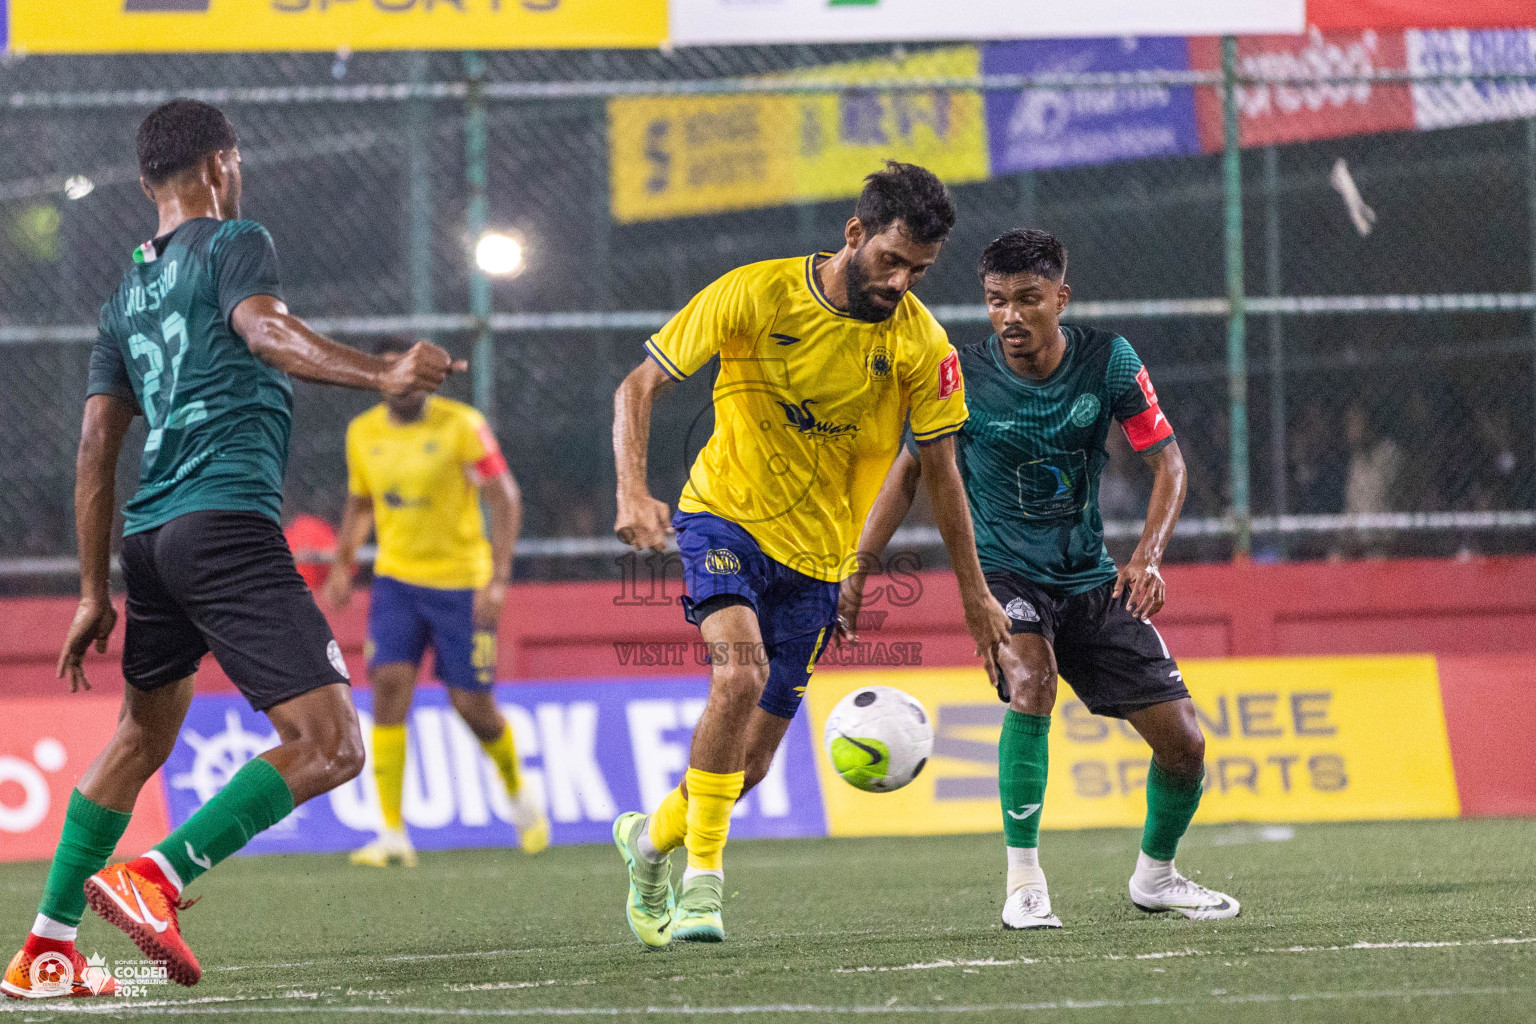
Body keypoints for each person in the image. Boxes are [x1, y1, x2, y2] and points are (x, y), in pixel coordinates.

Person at [3, 99, 464, 1000]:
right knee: (330, 746)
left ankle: (45, 950)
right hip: (224, 526)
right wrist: (380, 373)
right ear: (222, 165)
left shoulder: (120, 298)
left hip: (150, 541)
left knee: (138, 735)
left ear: (145, 183)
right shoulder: (233, 241)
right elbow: (263, 329)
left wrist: (93, 590)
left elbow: (96, 449)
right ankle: (158, 876)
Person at [609, 161, 1011, 948]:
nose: (900, 282)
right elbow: (637, 387)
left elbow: (942, 474)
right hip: (722, 518)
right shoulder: (755, 293)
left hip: (820, 560)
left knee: (749, 768)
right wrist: (631, 489)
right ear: (854, 235)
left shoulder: (921, 344)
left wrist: (975, 596)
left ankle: (649, 842)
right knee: (740, 672)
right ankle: (704, 885)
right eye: (891, 261)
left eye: (919, 271)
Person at [846, 229, 1239, 930]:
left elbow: (1169, 466)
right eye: (996, 302)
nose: (1011, 317)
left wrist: (1146, 554)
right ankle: (1024, 882)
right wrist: (859, 569)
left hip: (1088, 574)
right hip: (1002, 572)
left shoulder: (1108, 361)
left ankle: (1157, 876)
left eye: (1028, 300)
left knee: (1186, 744)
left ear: (1061, 297)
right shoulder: (957, 372)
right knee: (1032, 681)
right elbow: (907, 475)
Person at [323, 336, 548, 866]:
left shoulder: (461, 424)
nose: (402, 382)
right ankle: (393, 833)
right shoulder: (362, 432)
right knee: (388, 689)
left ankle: (519, 792)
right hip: (398, 582)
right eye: (391, 372)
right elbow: (360, 504)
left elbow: (504, 496)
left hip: (461, 585)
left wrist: (497, 580)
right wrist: (343, 562)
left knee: (472, 707)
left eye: (411, 371)